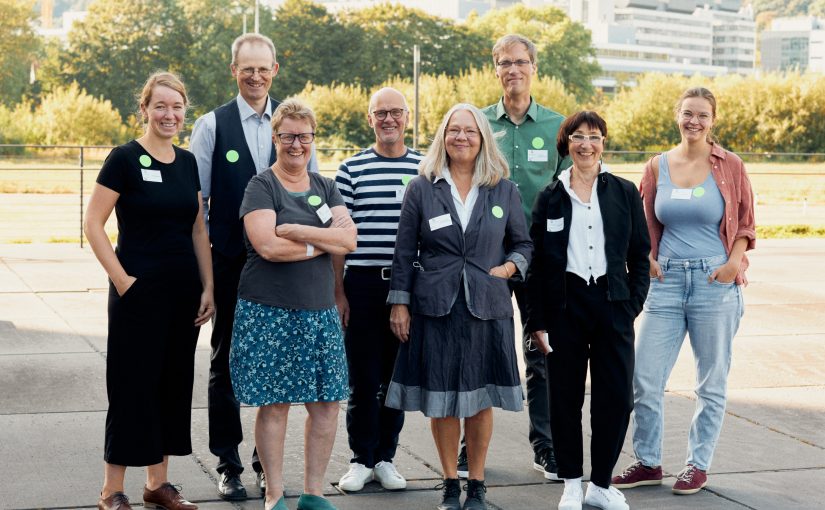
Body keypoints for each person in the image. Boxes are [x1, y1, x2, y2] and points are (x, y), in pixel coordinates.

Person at [189, 32, 319, 500]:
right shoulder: (210, 126)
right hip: (228, 261)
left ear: (275, 70)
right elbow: (197, 206)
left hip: (281, 265)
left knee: (278, 365)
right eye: (247, 68)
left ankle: (268, 465)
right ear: (234, 71)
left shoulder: (294, 122)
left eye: (264, 68)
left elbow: (311, 193)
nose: (256, 76)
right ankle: (229, 461)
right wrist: (204, 275)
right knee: (223, 361)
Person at [387, 103, 532, 510]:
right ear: (443, 137)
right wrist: (400, 303)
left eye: (470, 131)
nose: (462, 137)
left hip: (487, 305)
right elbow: (403, 251)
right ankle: (451, 483)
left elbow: (524, 243)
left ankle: (478, 485)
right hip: (435, 306)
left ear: (483, 137)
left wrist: (508, 268)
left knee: (481, 398)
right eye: (454, 130)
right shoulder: (423, 186)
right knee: (442, 397)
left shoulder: (503, 188)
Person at [612, 87, 755, 496]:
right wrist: (648, 258)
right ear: (677, 116)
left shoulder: (730, 165)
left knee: (710, 383)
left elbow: (745, 223)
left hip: (715, 283)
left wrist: (731, 265)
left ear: (713, 121)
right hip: (667, 283)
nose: (694, 121)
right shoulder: (657, 166)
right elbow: (641, 225)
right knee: (644, 377)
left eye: (703, 115)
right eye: (688, 113)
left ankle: (697, 465)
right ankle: (648, 462)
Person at [85, 72, 214, 510]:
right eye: (160, 106)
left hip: (182, 294)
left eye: (177, 106)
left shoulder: (188, 161)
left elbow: (198, 228)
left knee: (172, 384)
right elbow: (92, 225)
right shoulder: (123, 159)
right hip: (136, 295)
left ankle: (158, 485)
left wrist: (209, 286)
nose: (169, 114)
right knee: (130, 385)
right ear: (144, 109)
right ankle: (111, 490)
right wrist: (123, 282)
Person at [230, 98, 356, 510]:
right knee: (276, 405)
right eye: (288, 136)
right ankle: (274, 494)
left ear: (313, 138)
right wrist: (322, 240)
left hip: (319, 311)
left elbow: (349, 240)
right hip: (269, 310)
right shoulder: (261, 185)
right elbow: (267, 245)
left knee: (325, 404)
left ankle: (314, 494)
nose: (296, 145)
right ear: (275, 137)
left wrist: (300, 230)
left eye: (304, 136)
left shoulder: (326, 186)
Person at [525, 111, 650, 510]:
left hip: (612, 305)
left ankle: (600, 483)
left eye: (593, 137)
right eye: (577, 137)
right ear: (566, 145)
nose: (586, 145)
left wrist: (631, 304)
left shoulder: (624, 192)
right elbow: (537, 266)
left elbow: (640, 255)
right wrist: (537, 321)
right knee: (563, 398)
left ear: (603, 143)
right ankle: (572, 483)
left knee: (615, 398)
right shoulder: (550, 196)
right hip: (566, 307)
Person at [478, 33, 568, 481]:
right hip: (486, 257)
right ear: (495, 69)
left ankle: (546, 448)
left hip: (538, 258)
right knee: (479, 350)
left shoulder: (557, 126)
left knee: (540, 352)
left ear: (534, 67)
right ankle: (468, 450)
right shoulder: (475, 122)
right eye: (504, 63)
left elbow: (572, 193)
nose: (513, 69)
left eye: (521, 62)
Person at [333, 88, 423, 492]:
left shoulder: (425, 167)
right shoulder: (351, 169)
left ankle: (386, 457)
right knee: (362, 379)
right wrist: (339, 292)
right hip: (363, 284)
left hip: (406, 285)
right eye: (380, 113)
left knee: (394, 378)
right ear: (369, 119)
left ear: (407, 117)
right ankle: (361, 458)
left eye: (396, 113)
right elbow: (339, 238)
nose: (389, 120)